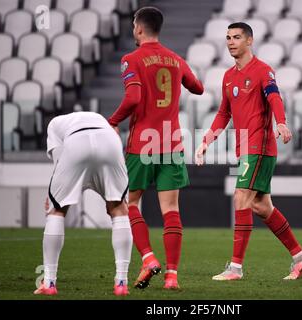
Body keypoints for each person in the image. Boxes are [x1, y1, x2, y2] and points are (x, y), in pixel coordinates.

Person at [195, 22, 302, 281]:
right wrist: (206, 140)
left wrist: (280, 122)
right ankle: (300, 257)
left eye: (236, 37)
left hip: (259, 146)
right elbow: (223, 113)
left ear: (249, 40)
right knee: (261, 205)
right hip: (245, 149)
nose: (230, 42)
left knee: (241, 197)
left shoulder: (263, 71)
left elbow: (274, 97)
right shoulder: (228, 76)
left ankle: (235, 268)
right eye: (227, 37)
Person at [108, 7, 204, 290]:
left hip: (142, 144)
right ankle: (172, 276)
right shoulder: (176, 59)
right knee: (171, 209)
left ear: (138, 29)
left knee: (129, 204)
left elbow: (134, 96)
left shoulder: (131, 59)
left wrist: (112, 121)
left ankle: (149, 258)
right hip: (171, 142)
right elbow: (198, 88)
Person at [34, 111, 132, 296]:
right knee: (120, 210)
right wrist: (112, 199)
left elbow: (59, 161)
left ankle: (49, 283)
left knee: (57, 211)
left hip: (77, 142)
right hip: (110, 141)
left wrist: (53, 195)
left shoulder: (54, 124)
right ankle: (121, 283)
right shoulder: (100, 119)